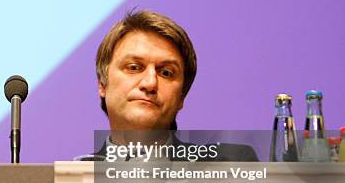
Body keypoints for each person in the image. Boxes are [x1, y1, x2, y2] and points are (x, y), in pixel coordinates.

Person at [89, 10, 257, 162]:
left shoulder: (230, 166)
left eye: (166, 73)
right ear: (102, 84)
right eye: (134, 67)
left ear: (182, 96)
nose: (150, 83)